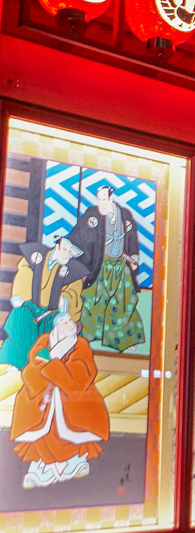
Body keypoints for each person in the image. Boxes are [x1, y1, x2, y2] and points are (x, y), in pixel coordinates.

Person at [9, 298, 110, 488]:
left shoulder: (80, 345)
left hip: (71, 397)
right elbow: (32, 367)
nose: (69, 324)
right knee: (40, 421)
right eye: (64, 322)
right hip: (43, 395)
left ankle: (74, 460)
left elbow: (82, 374)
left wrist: (54, 365)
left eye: (70, 321)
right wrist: (52, 364)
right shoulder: (44, 341)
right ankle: (42, 465)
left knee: (73, 420)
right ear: (57, 327)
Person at [67, 184, 144, 352]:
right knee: (92, 300)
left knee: (124, 302)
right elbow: (80, 234)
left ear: (111, 197)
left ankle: (124, 338)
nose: (101, 202)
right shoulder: (92, 214)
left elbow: (131, 239)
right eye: (99, 198)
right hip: (99, 266)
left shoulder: (125, 215)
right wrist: (71, 249)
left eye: (104, 198)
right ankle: (88, 336)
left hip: (120, 267)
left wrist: (133, 258)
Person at [0, 237, 86, 370]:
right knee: (20, 318)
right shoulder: (35, 256)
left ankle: (40, 366)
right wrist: (22, 298)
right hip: (31, 308)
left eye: (70, 251)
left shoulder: (73, 270)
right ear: (56, 247)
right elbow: (24, 272)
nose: (66, 254)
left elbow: (74, 291)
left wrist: (64, 299)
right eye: (64, 249)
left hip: (53, 313)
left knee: (58, 333)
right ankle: (19, 363)